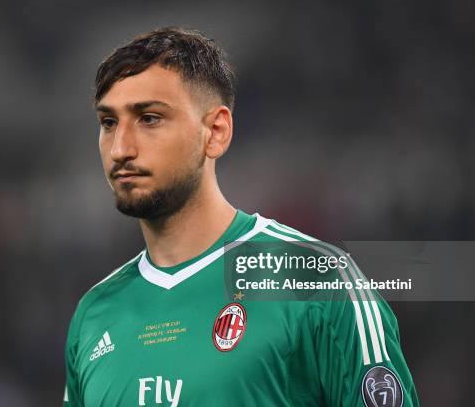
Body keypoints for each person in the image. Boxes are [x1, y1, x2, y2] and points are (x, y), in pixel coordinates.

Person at [63, 27, 419, 406]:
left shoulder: (314, 279)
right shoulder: (94, 315)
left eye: (149, 118)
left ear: (215, 131)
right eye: (108, 123)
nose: (120, 149)